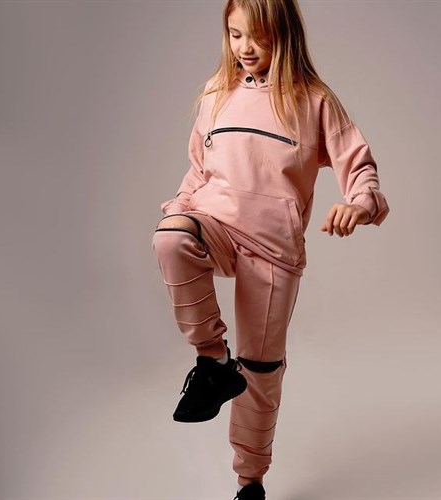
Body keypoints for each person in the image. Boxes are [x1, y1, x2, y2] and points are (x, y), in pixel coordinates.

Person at [152, 0, 390, 498]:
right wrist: (178, 209)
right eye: (235, 34)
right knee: (172, 237)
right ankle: (212, 361)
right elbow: (197, 172)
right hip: (216, 224)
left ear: (284, 34)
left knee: (260, 369)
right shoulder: (216, 94)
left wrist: (359, 205)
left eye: (257, 36)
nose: (245, 47)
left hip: (273, 248)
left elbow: (359, 167)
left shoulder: (314, 101)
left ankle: (250, 481)